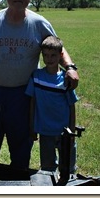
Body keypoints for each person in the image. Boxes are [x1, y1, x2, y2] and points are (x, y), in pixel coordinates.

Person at [0, 0, 79, 178]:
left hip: (24, 95)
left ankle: (17, 184)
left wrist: (70, 67)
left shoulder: (39, 23)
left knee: (21, 146)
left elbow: (57, 47)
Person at [25, 35, 79, 176]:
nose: (49, 59)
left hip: (64, 133)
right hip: (45, 132)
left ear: (61, 55)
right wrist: (32, 127)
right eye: (46, 55)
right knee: (47, 169)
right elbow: (32, 103)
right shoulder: (36, 76)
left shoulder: (65, 79)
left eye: (53, 55)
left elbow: (72, 107)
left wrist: (72, 131)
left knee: (68, 169)